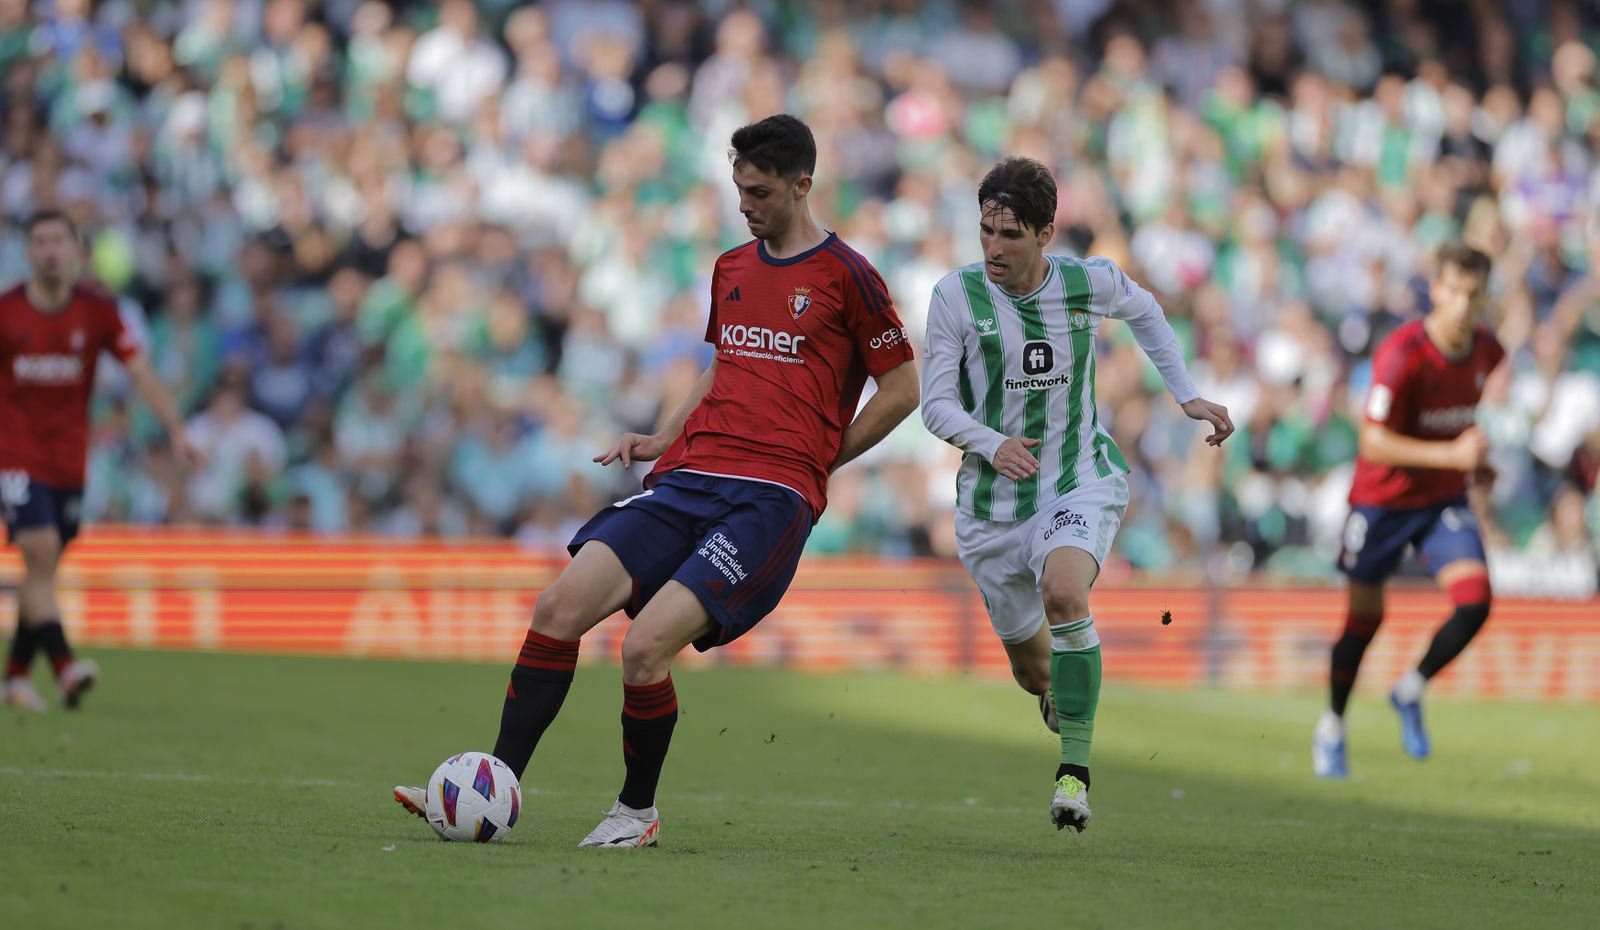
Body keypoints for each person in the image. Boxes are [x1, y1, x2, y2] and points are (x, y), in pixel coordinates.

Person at [393, 114, 920, 847]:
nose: (745, 205)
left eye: (761, 192)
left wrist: (819, 460)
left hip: (768, 500)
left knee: (643, 649)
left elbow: (902, 389)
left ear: (803, 185)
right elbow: (726, 364)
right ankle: (489, 787)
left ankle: (636, 813)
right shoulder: (731, 268)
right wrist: (666, 434)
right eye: (739, 189)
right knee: (556, 608)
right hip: (689, 476)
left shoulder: (849, 276)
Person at [920, 157, 1233, 832]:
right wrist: (989, 443)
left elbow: (1147, 312)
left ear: (1045, 234)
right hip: (990, 510)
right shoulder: (956, 297)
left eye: (1009, 234)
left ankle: (1074, 776)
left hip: (1075, 480)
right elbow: (935, 405)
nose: (993, 247)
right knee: (1036, 675)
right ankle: (1059, 696)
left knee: (1065, 593)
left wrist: (1186, 395)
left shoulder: (1087, 283)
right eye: (986, 231)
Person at [1313, 243, 1504, 779]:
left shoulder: (1489, 351)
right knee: (1365, 622)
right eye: (1454, 291)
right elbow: (1372, 441)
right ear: (1435, 290)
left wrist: (1476, 463)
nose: (1463, 304)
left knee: (1475, 601)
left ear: (1485, 297)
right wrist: (1452, 455)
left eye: (1474, 294)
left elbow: (1453, 416)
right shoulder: (1402, 353)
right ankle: (1332, 726)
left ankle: (1410, 689)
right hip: (1382, 504)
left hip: (1442, 500)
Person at [1, 210, 197, 711]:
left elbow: (142, 373)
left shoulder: (97, 312)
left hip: (69, 461)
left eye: (58, 241)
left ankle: (16, 675)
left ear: (76, 251)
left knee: (43, 569)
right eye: (40, 241)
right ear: (28, 252)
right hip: (15, 455)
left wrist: (177, 430)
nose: (49, 251)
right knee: (41, 551)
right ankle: (65, 668)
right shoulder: (6, 312)